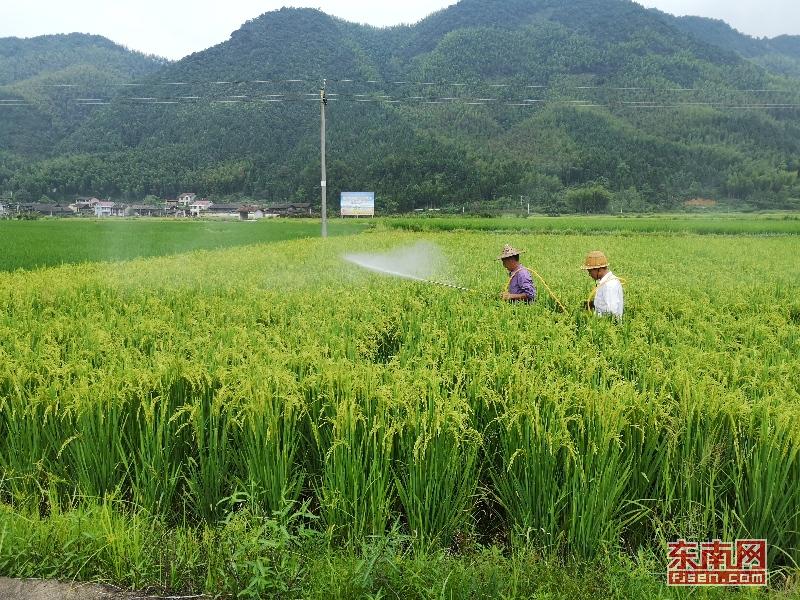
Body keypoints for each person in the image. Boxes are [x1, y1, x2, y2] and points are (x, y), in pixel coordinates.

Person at [581, 250, 623, 318]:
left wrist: (592, 314)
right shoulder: (606, 282)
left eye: (590, 271)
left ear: (598, 269)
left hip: (610, 326)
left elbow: (612, 313)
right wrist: (593, 304)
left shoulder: (609, 285)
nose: (589, 274)